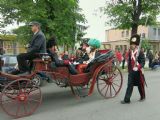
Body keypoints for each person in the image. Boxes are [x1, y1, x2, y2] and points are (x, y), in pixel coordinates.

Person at [121, 34, 146, 104]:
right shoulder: (130, 52)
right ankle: (127, 99)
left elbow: (143, 62)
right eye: (131, 44)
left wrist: (138, 67)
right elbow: (129, 61)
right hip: (131, 71)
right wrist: (128, 68)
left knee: (140, 85)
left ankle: (143, 97)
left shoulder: (140, 52)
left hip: (138, 71)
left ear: (136, 45)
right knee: (129, 85)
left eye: (132, 44)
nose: (131, 45)